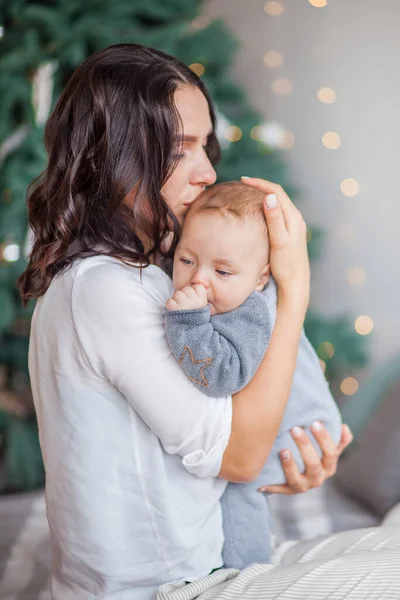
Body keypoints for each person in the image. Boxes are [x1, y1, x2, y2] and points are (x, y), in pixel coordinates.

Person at [18, 43, 399, 600]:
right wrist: (291, 290)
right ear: (112, 155)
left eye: (206, 145)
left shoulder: (152, 274)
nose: (208, 172)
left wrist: (287, 453)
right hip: (163, 589)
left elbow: (238, 437)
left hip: (208, 562)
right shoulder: (103, 289)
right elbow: (238, 457)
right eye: (180, 150)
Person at [163, 180, 342, 569]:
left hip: (294, 437)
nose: (199, 280)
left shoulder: (253, 312)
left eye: (223, 271)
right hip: (293, 433)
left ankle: (246, 575)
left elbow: (223, 375)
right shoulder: (233, 291)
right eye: (186, 260)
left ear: (261, 278)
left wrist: (187, 322)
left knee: (236, 495)